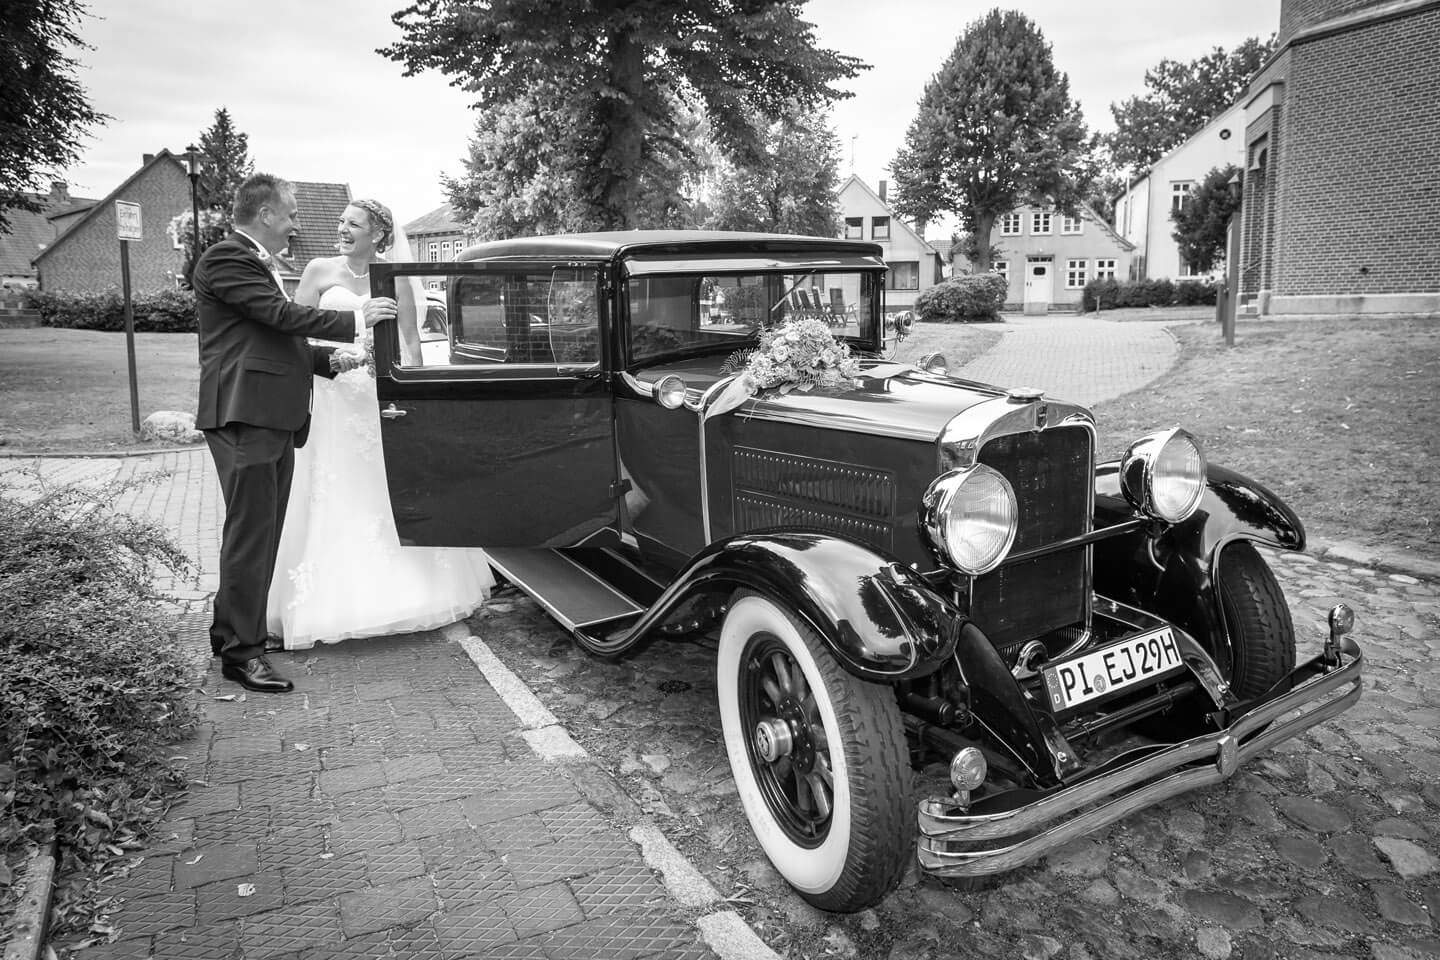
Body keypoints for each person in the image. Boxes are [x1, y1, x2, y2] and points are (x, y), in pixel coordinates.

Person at [195, 174, 398, 694]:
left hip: (269, 414)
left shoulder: (252, 262)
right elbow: (278, 316)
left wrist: (331, 361)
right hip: (246, 413)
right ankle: (243, 653)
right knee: (252, 533)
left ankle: (230, 632)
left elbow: (270, 340)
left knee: (256, 530)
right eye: (289, 215)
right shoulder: (226, 257)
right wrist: (356, 325)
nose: (296, 225)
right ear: (264, 214)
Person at [265, 198, 495, 649]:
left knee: (385, 489)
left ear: (378, 235)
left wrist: (406, 387)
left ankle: (410, 596)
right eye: (341, 221)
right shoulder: (317, 271)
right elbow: (291, 334)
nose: (343, 229)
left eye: (354, 223)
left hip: (375, 397)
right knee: (331, 490)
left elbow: (410, 342)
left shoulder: (393, 276)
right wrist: (329, 360)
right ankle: (323, 604)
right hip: (332, 395)